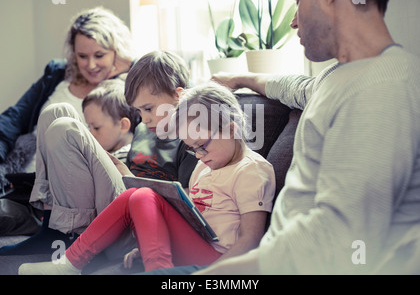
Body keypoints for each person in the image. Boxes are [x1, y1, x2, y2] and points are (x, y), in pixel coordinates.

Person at [132, 0, 420, 275]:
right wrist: (240, 78)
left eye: (297, 0)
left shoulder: (381, 88)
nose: (294, 21)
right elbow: (289, 86)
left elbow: (339, 236)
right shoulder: (334, 78)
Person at [18, 81, 276, 275]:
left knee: (141, 195)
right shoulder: (205, 166)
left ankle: (81, 265)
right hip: (193, 245)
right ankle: (74, 263)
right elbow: (189, 220)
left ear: (230, 129)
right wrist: (145, 244)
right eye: (192, 148)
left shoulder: (251, 170)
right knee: (138, 194)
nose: (198, 155)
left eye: (202, 146)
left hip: (215, 258)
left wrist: (211, 274)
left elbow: (251, 240)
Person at [0, 51, 197, 270]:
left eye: (149, 109)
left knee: (67, 129)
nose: (144, 118)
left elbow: (189, 204)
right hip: (117, 206)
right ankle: (52, 229)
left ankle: (70, 237)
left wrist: (129, 177)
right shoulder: (144, 129)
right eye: (139, 110)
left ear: (179, 97)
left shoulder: (192, 140)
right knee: (55, 113)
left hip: (139, 222)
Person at [0, 6, 136, 237]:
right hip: (25, 185)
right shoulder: (57, 74)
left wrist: (131, 66)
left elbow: (171, 92)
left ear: (116, 52)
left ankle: (51, 222)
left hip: (72, 189)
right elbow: (13, 119)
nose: (91, 65)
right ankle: (41, 217)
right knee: (56, 111)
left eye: (100, 55)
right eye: (82, 56)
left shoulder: (125, 89)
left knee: (63, 122)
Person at [82, 79, 141, 164]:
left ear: (123, 126)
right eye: (88, 126)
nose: (90, 134)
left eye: (96, 128)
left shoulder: (125, 159)